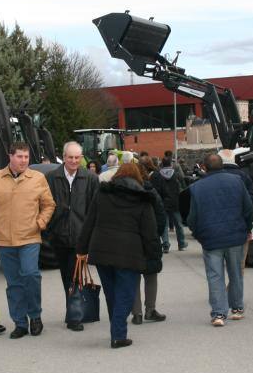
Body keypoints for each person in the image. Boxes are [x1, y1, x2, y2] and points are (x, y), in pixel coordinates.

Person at [77, 163, 161, 349]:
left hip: (102, 251)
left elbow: (89, 222)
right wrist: (154, 255)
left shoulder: (102, 194)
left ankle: (116, 329)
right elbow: (150, 232)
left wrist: (81, 249)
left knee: (111, 293)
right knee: (126, 293)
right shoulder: (142, 199)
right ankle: (118, 334)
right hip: (129, 253)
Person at [0, 141, 56, 339]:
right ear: (10, 156)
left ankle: (35, 316)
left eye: (26, 157)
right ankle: (20, 322)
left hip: (30, 237)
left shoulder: (38, 178)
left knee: (31, 275)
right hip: (4, 240)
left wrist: (40, 223)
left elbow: (49, 204)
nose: (23, 161)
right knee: (14, 283)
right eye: (19, 157)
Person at [187, 154, 253, 327]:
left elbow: (192, 217)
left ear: (204, 167)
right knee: (236, 273)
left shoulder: (197, 187)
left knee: (214, 276)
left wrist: (198, 234)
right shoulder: (237, 182)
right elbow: (248, 208)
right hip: (235, 235)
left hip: (211, 238)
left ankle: (218, 314)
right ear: (222, 165)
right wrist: (248, 228)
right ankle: (237, 308)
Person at [44, 142, 99, 331]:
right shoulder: (52, 177)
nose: (74, 161)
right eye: (70, 157)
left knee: (75, 275)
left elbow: (94, 209)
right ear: (64, 156)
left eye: (77, 157)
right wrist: (50, 229)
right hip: (59, 236)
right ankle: (73, 309)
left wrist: (90, 236)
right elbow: (45, 204)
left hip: (80, 237)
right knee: (66, 275)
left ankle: (74, 316)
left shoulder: (90, 178)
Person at [132, 157, 168, 324]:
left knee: (133, 276)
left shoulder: (125, 192)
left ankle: (137, 313)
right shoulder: (150, 191)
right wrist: (156, 233)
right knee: (151, 275)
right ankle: (150, 310)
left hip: (131, 238)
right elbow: (161, 215)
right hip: (150, 237)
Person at [217, 149, 253, 269]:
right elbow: (251, 202)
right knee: (239, 265)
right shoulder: (244, 176)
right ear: (234, 159)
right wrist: (249, 227)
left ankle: (219, 288)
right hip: (240, 226)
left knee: (217, 266)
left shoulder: (213, 177)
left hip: (218, 228)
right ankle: (235, 286)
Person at [158, 157, 188, 251]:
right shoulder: (177, 174)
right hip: (175, 202)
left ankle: (166, 244)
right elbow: (183, 188)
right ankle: (182, 243)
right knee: (178, 224)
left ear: (162, 164)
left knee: (165, 225)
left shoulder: (158, 175)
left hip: (163, 202)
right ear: (171, 164)